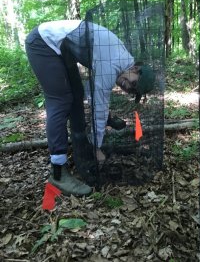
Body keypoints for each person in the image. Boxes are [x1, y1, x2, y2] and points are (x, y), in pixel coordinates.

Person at [25, 20, 155, 196]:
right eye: (133, 83)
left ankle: (81, 144)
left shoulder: (121, 59)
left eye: (132, 91)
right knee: (60, 100)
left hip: (63, 51)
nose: (127, 88)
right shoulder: (113, 63)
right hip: (43, 42)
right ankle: (58, 171)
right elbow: (98, 103)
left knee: (76, 94)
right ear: (135, 68)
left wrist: (105, 118)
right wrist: (97, 148)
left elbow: (91, 91)